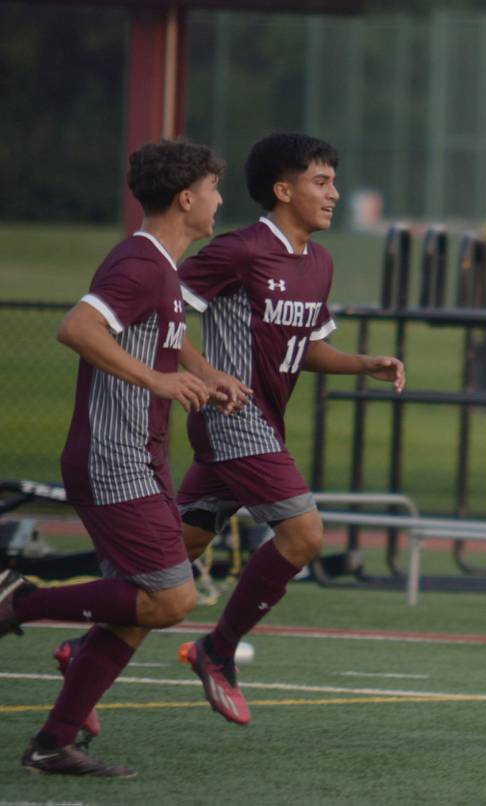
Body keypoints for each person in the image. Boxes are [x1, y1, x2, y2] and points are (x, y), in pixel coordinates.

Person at [0, 139, 248, 777]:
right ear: (187, 198)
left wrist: (202, 372)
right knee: (169, 601)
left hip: (140, 460)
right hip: (114, 461)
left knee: (134, 613)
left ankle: (53, 744)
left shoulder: (161, 269)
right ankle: (15, 600)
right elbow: (77, 328)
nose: (221, 201)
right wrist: (158, 382)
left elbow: (165, 335)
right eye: (215, 189)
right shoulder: (140, 264)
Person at [164, 132, 404, 726]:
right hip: (233, 423)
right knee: (303, 535)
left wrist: (361, 363)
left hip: (260, 427)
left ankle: (61, 625)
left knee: (172, 556)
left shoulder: (317, 262)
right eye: (320, 182)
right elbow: (158, 305)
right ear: (282, 189)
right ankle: (216, 650)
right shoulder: (240, 251)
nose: (334, 194)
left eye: (332, 181)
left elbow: (307, 347)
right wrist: (206, 371)